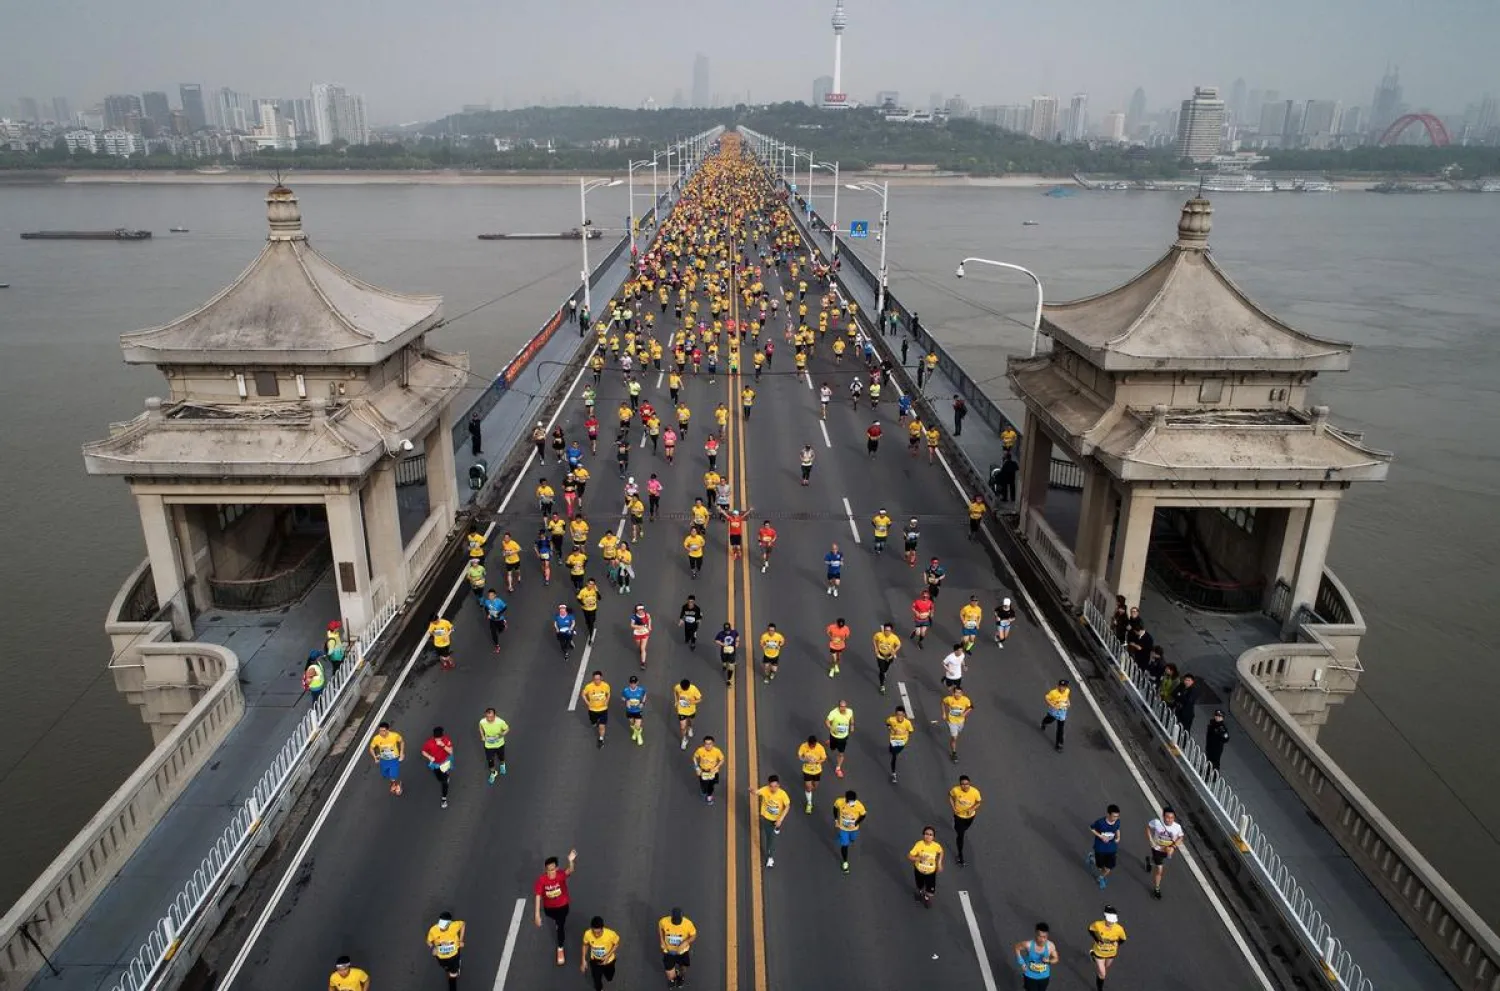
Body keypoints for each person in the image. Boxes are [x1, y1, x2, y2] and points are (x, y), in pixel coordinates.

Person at [533, 851, 577, 965]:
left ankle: (560, 948)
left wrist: (571, 861)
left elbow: (570, 870)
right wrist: (537, 915)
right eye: (548, 869)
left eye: (552, 869)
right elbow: (538, 896)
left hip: (562, 906)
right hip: (549, 909)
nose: (550, 872)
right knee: (555, 920)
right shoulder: (541, 880)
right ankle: (558, 923)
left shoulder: (560, 875)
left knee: (560, 926)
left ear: (557, 868)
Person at [1143, 807, 1185, 899]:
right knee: (1160, 869)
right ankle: (1157, 889)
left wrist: (1173, 847)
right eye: (1167, 817)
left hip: (1167, 850)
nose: (1169, 820)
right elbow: (1148, 828)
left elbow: (1181, 837)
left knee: (1158, 861)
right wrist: (1151, 840)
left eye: (1172, 818)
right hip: (1157, 848)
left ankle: (1149, 861)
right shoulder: (1157, 822)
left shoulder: (1177, 827)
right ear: (1163, 816)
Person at [753, 775, 791, 868]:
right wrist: (753, 791)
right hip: (767, 818)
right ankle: (770, 857)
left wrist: (780, 820)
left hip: (777, 818)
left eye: (775, 786)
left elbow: (787, 806)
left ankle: (777, 827)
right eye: (771, 786)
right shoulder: (765, 790)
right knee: (770, 838)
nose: (773, 788)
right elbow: (757, 792)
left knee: (775, 829)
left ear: (779, 785)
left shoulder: (782, 794)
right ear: (768, 785)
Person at [1088, 906, 1128, 990]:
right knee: (1102, 974)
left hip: (1111, 953)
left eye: (1113, 921)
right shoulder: (1098, 924)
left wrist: (1118, 943)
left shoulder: (1119, 929)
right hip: (1099, 952)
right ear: (1105, 917)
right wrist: (1096, 939)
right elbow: (1090, 929)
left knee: (1106, 968)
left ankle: (1092, 955)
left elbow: (1123, 938)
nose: (1111, 923)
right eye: (1109, 921)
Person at [658, 908, 697, 988]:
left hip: (682, 952)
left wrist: (686, 942)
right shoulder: (664, 921)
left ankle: (681, 977)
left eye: (678, 922)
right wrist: (662, 940)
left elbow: (694, 935)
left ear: (682, 917)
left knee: (683, 968)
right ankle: (672, 979)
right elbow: (660, 928)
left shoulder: (688, 924)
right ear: (671, 917)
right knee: (670, 974)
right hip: (668, 951)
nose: (676, 923)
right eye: (674, 921)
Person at [949, 774, 983, 866]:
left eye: (967, 784)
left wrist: (972, 809)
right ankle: (960, 856)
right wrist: (953, 808)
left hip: (970, 817)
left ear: (970, 783)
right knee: (960, 835)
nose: (965, 786)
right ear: (960, 785)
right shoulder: (955, 790)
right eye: (963, 784)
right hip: (959, 816)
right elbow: (950, 797)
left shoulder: (975, 792)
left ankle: (960, 830)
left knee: (963, 830)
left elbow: (979, 802)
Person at [426, 912, 465, 990]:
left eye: (444, 926)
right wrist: (432, 947)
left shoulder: (454, 925)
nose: (442, 928)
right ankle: (451, 970)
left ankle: (455, 970)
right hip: (441, 957)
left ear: (449, 923)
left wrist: (461, 940)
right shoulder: (434, 929)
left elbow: (463, 924)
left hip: (454, 955)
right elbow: (428, 941)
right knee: (446, 968)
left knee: (452, 975)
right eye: (441, 926)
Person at [1013, 923, 1058, 991]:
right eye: (1040, 936)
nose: (1042, 939)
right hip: (1030, 975)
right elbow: (1017, 947)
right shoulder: (1028, 945)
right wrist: (1022, 963)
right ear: (1036, 934)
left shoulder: (1050, 946)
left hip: (1044, 976)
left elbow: (1056, 958)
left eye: (1044, 937)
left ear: (1047, 936)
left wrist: (1049, 961)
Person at [1087, 805, 1123, 889]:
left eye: (1117, 816)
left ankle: (1101, 878)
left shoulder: (1117, 822)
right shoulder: (1100, 822)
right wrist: (1100, 836)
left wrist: (1118, 837)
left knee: (1108, 868)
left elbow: (1117, 829)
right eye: (1114, 816)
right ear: (1108, 814)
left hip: (1111, 848)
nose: (1116, 818)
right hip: (1100, 848)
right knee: (1100, 867)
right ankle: (1092, 858)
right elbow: (1091, 828)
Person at [832, 790, 868, 874]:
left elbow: (863, 815)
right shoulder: (839, 801)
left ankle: (848, 839)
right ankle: (845, 862)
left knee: (852, 839)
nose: (852, 802)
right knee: (845, 844)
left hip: (854, 829)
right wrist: (836, 820)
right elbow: (835, 808)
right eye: (850, 801)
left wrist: (857, 822)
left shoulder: (859, 805)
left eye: (853, 801)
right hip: (843, 828)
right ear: (846, 799)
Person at [580, 916, 621, 990]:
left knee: (609, 977)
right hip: (595, 961)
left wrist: (608, 956)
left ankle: (608, 975)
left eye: (598, 932)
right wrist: (583, 959)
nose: (596, 935)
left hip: (609, 961)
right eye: (594, 932)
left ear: (602, 928)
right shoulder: (588, 934)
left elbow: (616, 944)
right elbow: (585, 945)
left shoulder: (611, 934)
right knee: (597, 980)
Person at [908, 825, 944, 907]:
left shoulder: (936, 846)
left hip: (930, 873)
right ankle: (920, 893)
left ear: (933, 837)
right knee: (919, 886)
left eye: (930, 834)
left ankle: (926, 898)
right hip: (919, 871)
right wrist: (918, 858)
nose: (928, 836)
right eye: (926, 834)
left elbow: (941, 852)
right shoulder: (919, 844)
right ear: (923, 835)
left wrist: (939, 863)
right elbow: (909, 856)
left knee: (930, 892)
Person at [421, 726, 453, 809]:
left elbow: (450, 751)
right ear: (433, 736)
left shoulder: (446, 740)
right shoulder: (429, 742)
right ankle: (444, 777)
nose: (438, 740)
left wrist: (443, 745)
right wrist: (429, 757)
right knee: (438, 777)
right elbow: (423, 751)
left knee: (444, 782)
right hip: (435, 764)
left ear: (442, 736)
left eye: (439, 738)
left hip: (444, 763)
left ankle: (444, 799)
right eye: (436, 739)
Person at [368, 720, 404, 796]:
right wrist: (375, 757)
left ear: (388, 730)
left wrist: (401, 754)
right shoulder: (376, 738)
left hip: (394, 759)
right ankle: (393, 783)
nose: (381, 733)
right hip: (383, 760)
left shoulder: (394, 736)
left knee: (393, 775)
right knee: (385, 774)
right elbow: (371, 748)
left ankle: (397, 786)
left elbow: (402, 742)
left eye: (383, 731)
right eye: (380, 731)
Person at [940, 685, 973, 764]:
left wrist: (965, 713)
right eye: (956, 693)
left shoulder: (965, 700)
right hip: (952, 721)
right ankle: (954, 753)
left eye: (960, 693)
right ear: (953, 693)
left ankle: (953, 740)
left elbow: (971, 707)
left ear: (962, 693)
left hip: (961, 722)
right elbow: (942, 702)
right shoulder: (949, 699)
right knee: (954, 737)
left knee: (957, 735)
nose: (958, 694)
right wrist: (944, 713)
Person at [797, 734, 827, 813]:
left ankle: (809, 791)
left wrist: (817, 761)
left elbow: (824, 758)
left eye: (813, 745)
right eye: (810, 745)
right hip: (807, 771)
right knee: (808, 787)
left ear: (815, 743)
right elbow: (800, 756)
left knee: (815, 786)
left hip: (817, 771)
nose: (812, 747)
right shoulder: (804, 746)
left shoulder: (820, 748)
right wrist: (805, 759)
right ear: (808, 743)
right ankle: (809, 803)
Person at [581, 671, 611, 748]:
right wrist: (587, 702)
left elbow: (608, 693)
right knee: (593, 722)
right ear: (593, 679)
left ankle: (601, 739)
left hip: (603, 709)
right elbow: (583, 694)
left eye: (598, 679)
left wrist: (607, 701)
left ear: (601, 678)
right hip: (592, 710)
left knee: (602, 726)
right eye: (595, 679)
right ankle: (594, 722)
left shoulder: (605, 685)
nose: (597, 681)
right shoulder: (589, 686)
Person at [825, 700, 854, 778]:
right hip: (834, 735)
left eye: (844, 707)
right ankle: (830, 741)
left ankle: (838, 768)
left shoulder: (850, 711)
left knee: (841, 753)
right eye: (841, 706)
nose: (843, 708)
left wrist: (852, 726)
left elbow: (851, 719)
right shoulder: (833, 713)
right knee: (832, 748)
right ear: (839, 707)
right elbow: (827, 721)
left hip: (843, 737)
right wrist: (831, 728)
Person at [478, 708, 509, 784]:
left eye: (491, 717)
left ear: (495, 715)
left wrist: (501, 735)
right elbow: (480, 727)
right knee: (490, 760)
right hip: (488, 745)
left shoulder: (500, 722)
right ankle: (493, 773)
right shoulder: (482, 721)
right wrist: (482, 736)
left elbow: (507, 729)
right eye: (487, 717)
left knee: (501, 757)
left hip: (499, 744)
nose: (489, 719)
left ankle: (502, 765)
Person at [886, 704, 915, 783]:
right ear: (895, 714)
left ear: (904, 715)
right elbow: (887, 723)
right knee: (892, 750)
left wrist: (904, 733)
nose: (899, 717)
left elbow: (911, 731)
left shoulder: (907, 723)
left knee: (894, 755)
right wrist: (891, 728)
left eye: (901, 715)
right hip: (893, 739)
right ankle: (891, 749)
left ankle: (893, 773)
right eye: (898, 715)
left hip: (902, 741)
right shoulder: (891, 719)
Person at [693, 735, 725, 804]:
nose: (708, 746)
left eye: (710, 744)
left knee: (711, 785)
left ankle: (709, 795)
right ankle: (704, 791)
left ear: (713, 744)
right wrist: (697, 767)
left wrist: (717, 767)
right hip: (703, 771)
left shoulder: (717, 751)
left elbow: (722, 759)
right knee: (703, 785)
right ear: (704, 744)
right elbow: (695, 757)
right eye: (706, 744)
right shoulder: (700, 750)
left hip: (713, 771)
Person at [1041, 679, 1071, 752]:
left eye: (1064, 687)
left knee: (1060, 728)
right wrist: (1052, 705)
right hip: (1054, 711)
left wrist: (1068, 702)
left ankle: (1059, 744)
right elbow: (1046, 698)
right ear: (1058, 686)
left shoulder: (1067, 691)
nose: (1062, 688)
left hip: (1062, 711)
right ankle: (1044, 722)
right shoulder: (1053, 693)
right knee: (1050, 719)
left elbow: (1066, 697)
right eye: (1061, 686)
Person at [872, 622, 902, 695]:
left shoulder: (894, 637)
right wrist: (876, 648)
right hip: (880, 655)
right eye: (886, 630)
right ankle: (882, 685)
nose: (887, 632)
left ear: (891, 631)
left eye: (889, 630)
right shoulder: (879, 635)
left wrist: (894, 651)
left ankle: (884, 672)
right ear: (884, 630)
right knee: (881, 670)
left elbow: (899, 645)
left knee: (886, 668)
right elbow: (874, 639)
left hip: (889, 656)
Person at [674, 678, 702, 750]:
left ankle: (690, 728)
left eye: (685, 689)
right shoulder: (678, 687)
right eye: (683, 688)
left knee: (690, 722)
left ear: (688, 686)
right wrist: (676, 701)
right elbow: (675, 692)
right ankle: (684, 739)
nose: (684, 690)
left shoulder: (693, 689)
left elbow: (699, 699)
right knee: (682, 727)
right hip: (681, 710)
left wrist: (691, 702)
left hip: (691, 710)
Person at [622, 675, 647, 746]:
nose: (633, 684)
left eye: (634, 683)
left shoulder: (641, 690)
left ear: (637, 683)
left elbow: (645, 695)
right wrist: (626, 701)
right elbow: (623, 697)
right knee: (632, 724)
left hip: (638, 711)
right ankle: (635, 733)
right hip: (629, 711)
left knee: (638, 725)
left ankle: (639, 736)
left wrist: (642, 703)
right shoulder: (626, 690)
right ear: (629, 683)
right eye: (631, 683)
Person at [480, 589, 508, 654]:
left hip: (499, 619)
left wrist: (499, 614)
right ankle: (497, 645)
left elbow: (505, 607)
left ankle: (504, 624)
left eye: (491, 595)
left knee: (501, 629)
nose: (490, 597)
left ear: (495, 595)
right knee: (493, 632)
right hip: (492, 620)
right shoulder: (487, 601)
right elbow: (486, 608)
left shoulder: (499, 601)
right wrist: (488, 614)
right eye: (489, 595)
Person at [630, 604, 652, 669]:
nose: (641, 611)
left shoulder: (647, 614)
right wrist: (640, 627)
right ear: (637, 610)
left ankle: (643, 663)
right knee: (638, 645)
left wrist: (649, 625)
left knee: (643, 648)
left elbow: (649, 619)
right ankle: (640, 649)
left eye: (642, 609)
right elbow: (632, 625)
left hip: (645, 632)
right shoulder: (634, 617)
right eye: (639, 610)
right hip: (637, 633)